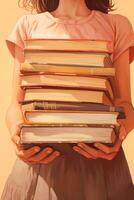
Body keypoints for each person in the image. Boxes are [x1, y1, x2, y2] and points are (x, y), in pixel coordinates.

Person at [1, 0, 134, 199]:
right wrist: (17, 136)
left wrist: (120, 133)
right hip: (39, 165)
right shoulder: (27, 25)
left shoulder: (116, 25)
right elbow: (16, 105)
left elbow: (125, 104)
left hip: (100, 166)